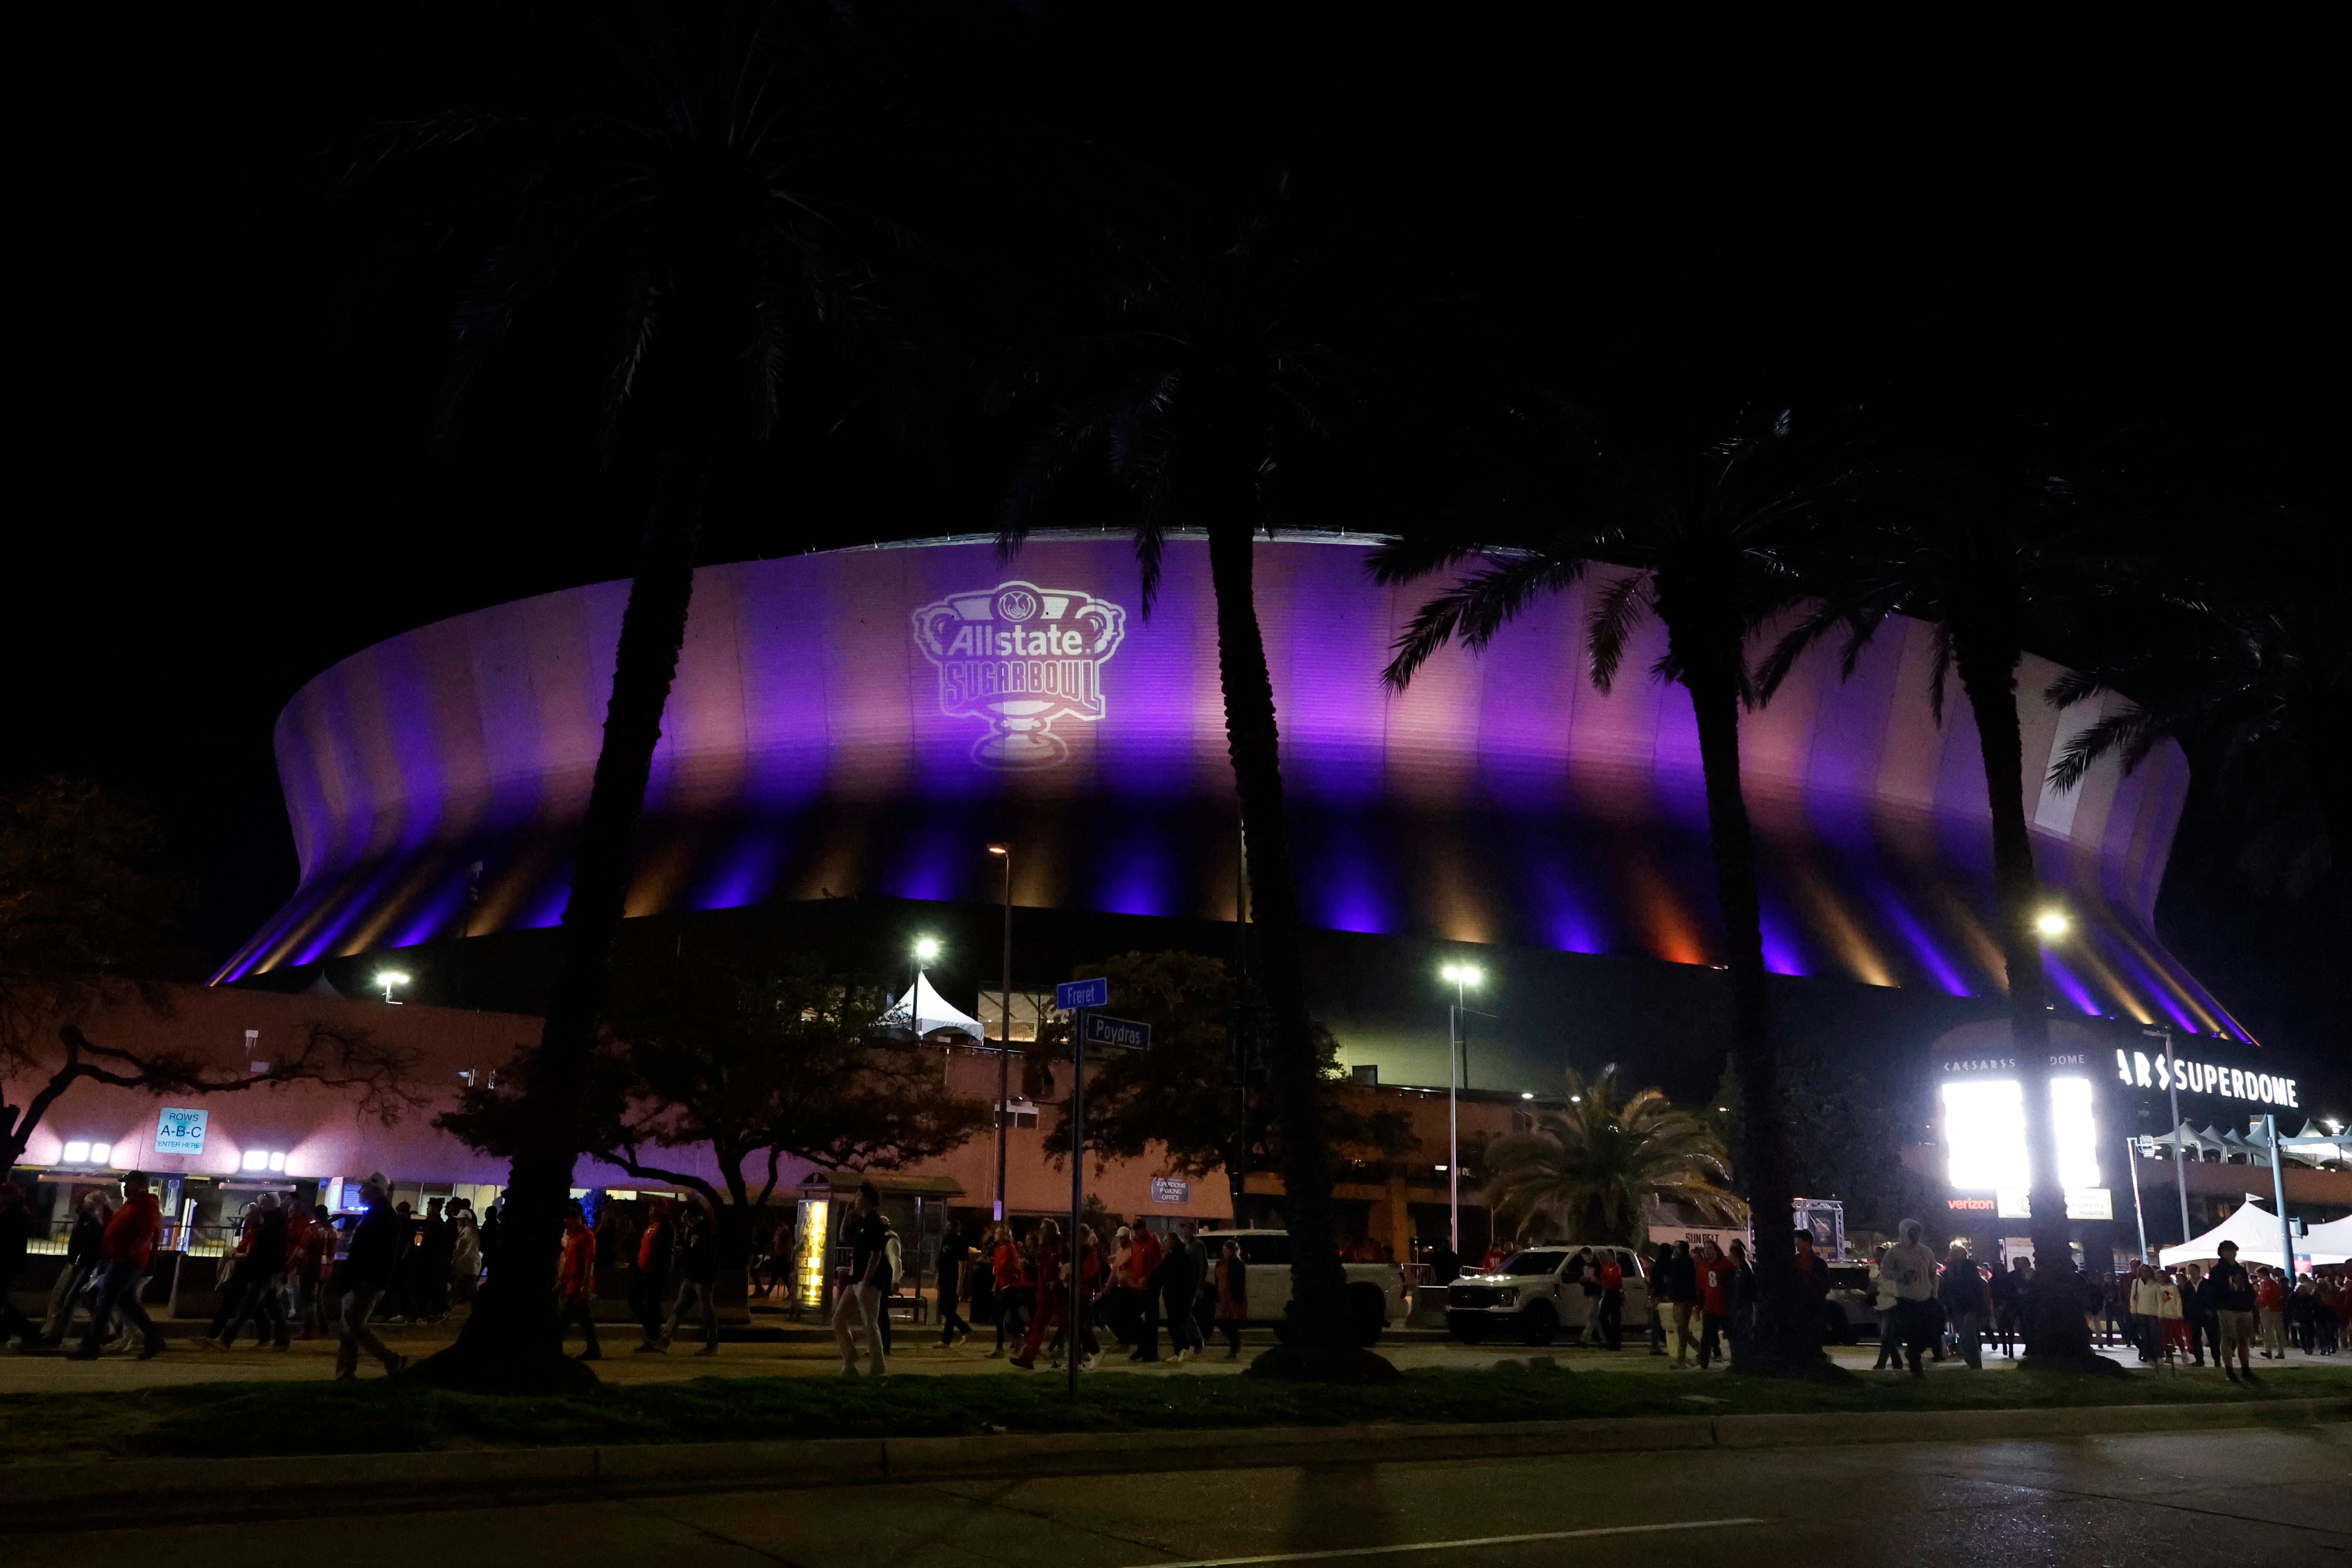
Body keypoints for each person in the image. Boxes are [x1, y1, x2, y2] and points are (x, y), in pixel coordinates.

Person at [69, 1172, 167, 1361]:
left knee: (104, 1301)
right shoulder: (133, 1204)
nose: (125, 1186)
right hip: (119, 1260)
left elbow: (147, 1233)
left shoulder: (145, 1204)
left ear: (139, 1184)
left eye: (128, 1183)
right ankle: (154, 1340)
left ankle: (91, 1347)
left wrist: (129, 1253)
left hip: (126, 1262)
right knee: (127, 1302)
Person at [333, 1172, 408, 1379]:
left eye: (364, 1188)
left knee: (354, 1325)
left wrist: (355, 1278)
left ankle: (390, 1359)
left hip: (366, 1282)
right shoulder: (378, 1214)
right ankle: (346, 1373)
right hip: (365, 1280)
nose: (360, 1191)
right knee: (348, 1328)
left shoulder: (382, 1217)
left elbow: (368, 1253)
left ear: (375, 1191)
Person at [831, 1181, 889, 1376]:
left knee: (870, 1324)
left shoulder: (876, 1223)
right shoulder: (862, 1222)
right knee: (839, 1320)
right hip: (855, 1280)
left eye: (859, 1196)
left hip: (868, 1283)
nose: (856, 1199)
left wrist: (866, 1281)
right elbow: (843, 1238)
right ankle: (850, 1360)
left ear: (868, 1200)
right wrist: (847, 1214)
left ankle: (878, 1368)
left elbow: (876, 1255)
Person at [40, 1190, 112, 1347]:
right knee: (85, 1299)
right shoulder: (91, 1219)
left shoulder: (100, 1222)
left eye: (87, 1202)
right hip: (85, 1263)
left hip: (90, 1265)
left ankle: (59, 1334)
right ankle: (104, 1331)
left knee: (71, 1298)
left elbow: (92, 1245)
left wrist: (80, 1261)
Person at [219, 1194, 291, 1350]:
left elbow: (262, 1249)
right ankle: (282, 1339)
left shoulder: (271, 1224)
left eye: (263, 1204)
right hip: (269, 1268)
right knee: (272, 1306)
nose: (260, 1207)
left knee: (249, 1305)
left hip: (264, 1269)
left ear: (271, 1205)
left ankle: (226, 1339)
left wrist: (251, 1261)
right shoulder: (276, 1221)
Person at [655, 1201, 721, 1356]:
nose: (687, 1219)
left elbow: (709, 1257)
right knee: (679, 1310)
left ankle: (713, 1345)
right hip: (691, 1278)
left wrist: (707, 1276)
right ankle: (665, 1341)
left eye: (690, 1216)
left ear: (698, 1216)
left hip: (702, 1280)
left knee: (706, 1312)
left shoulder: (705, 1233)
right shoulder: (692, 1231)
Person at [1879, 1219, 1941, 1377]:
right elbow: (1885, 1272)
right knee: (1912, 1334)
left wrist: (1934, 1293)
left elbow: (1933, 1273)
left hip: (1925, 1299)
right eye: (1912, 1233)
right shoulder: (1894, 1252)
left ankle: (1914, 1354)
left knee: (1929, 1333)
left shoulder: (1926, 1251)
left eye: (1917, 1233)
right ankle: (1916, 1366)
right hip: (1906, 1300)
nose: (1915, 1236)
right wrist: (1902, 1276)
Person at [1010, 1218, 1068, 1370]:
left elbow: (1063, 1267)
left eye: (1044, 1229)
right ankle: (1028, 1358)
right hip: (1045, 1293)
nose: (1041, 1231)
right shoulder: (1045, 1247)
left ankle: (1079, 1355)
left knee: (1068, 1323)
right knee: (1038, 1325)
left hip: (1057, 1292)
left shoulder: (1059, 1246)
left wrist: (1057, 1280)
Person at [2206, 1239, 2258, 1381]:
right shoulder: (2218, 1271)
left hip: (2242, 1308)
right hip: (2227, 1309)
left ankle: (2245, 1369)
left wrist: (2249, 1303)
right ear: (2222, 1253)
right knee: (2228, 1339)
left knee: (2243, 1340)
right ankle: (2229, 1370)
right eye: (2229, 1251)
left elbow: (2247, 1287)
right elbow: (2214, 1291)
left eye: (2234, 1251)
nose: (2232, 1253)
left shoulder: (2240, 1270)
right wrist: (2217, 1307)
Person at [556, 1200, 602, 1361]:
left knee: (565, 1318)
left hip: (578, 1285)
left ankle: (555, 1348)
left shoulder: (586, 1237)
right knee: (584, 1319)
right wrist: (563, 1280)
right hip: (573, 1284)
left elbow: (590, 1261)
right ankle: (593, 1349)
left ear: (575, 1219)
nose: (566, 1225)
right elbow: (568, 1262)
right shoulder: (573, 1237)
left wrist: (585, 1285)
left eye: (568, 1221)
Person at [1155, 1220, 1206, 1363]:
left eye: (1166, 1240)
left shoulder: (1193, 1249)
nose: (1164, 1243)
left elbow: (1199, 1269)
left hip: (1182, 1293)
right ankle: (1185, 1347)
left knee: (1183, 1317)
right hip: (1174, 1294)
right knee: (1178, 1320)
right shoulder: (1175, 1254)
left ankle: (1193, 1342)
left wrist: (1197, 1288)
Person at [629, 1198, 674, 1349]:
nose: (650, 1209)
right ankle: (652, 1332)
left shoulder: (665, 1226)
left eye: (653, 1207)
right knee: (635, 1299)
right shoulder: (651, 1225)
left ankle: (653, 1335)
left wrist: (658, 1270)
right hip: (644, 1270)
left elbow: (665, 1251)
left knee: (652, 1302)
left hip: (654, 1272)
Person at [1938, 1241, 1992, 1369]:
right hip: (1957, 1307)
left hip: (1969, 1306)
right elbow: (1946, 1289)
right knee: (1964, 1335)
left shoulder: (1969, 1268)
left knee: (1968, 1334)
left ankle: (1975, 1363)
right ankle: (1971, 1361)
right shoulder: (1950, 1270)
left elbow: (1975, 1286)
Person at [0, 1182, 37, 1350]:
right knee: (3, 1300)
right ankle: (10, 1332)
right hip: (11, 1262)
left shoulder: (12, 1215)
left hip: (7, 1263)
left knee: (3, 1301)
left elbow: (8, 1241)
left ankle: (28, 1332)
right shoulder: (17, 1213)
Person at [1127, 1219, 1166, 1362]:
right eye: (1135, 1229)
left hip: (1150, 1287)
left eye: (1139, 1229)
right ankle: (1142, 1346)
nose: (1137, 1232)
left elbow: (1159, 1263)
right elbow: (1135, 1260)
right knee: (1134, 1316)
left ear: (1145, 1228)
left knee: (1151, 1320)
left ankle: (1152, 1353)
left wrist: (1148, 1277)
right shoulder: (1135, 1243)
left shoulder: (1153, 1242)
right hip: (1138, 1286)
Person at [1694, 1240, 1736, 1370]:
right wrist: (1700, 1307)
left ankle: (1737, 1360)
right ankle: (1704, 1363)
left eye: (1710, 1248)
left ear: (1716, 1250)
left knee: (1732, 1336)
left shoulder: (1726, 1265)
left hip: (1725, 1308)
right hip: (1710, 1308)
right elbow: (1701, 1290)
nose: (1707, 1251)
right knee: (1707, 1337)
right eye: (1706, 1248)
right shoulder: (1702, 1268)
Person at [987, 1223, 1026, 1357]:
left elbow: (1002, 1268)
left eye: (998, 1233)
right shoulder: (999, 1249)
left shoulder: (1010, 1248)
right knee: (1000, 1316)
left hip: (1010, 1287)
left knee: (1000, 1315)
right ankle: (1017, 1336)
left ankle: (1000, 1347)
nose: (995, 1235)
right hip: (1002, 1286)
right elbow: (996, 1267)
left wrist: (996, 1269)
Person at [937, 1223, 974, 1347]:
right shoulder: (946, 1240)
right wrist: (937, 1277)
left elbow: (962, 1263)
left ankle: (964, 1329)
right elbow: (941, 1260)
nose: (949, 1229)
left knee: (946, 1309)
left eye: (952, 1227)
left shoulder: (960, 1242)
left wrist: (960, 1283)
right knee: (947, 1309)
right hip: (944, 1277)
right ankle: (947, 1340)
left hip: (953, 1278)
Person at [1665, 1240, 1698, 1368]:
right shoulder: (1675, 1263)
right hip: (1677, 1299)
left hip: (1685, 1299)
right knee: (1682, 1329)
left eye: (1677, 1247)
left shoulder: (1686, 1263)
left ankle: (1682, 1358)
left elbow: (1685, 1281)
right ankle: (1700, 1351)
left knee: (1682, 1329)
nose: (1674, 1249)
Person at [1213, 1237, 1248, 1357]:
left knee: (1231, 1323)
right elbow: (1217, 1280)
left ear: (1232, 1251)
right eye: (1223, 1249)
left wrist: (1239, 1298)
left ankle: (1235, 1347)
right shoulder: (1221, 1263)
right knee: (1220, 1321)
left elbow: (1241, 1283)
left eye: (1226, 1250)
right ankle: (1236, 1343)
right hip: (1222, 1297)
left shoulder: (1238, 1264)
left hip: (1232, 1297)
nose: (1224, 1252)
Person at [1992, 1256, 2030, 1358]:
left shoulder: (2006, 1277)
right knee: (2015, 1327)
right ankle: (2011, 1348)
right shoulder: (2013, 1276)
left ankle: (2008, 1348)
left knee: (2007, 1327)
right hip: (2015, 1303)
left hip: (2009, 1303)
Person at [2127, 1262, 2164, 1363]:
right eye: (2142, 1271)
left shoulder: (2156, 1284)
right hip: (2141, 1312)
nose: (2144, 1272)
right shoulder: (2136, 1282)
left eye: (2146, 1270)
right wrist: (2134, 1311)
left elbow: (2160, 1300)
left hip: (2153, 1313)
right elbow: (2133, 1298)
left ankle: (2154, 1354)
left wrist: (2160, 1314)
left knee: (2153, 1335)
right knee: (2144, 1335)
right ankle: (2146, 1354)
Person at [448, 1204, 481, 1307]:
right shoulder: (468, 1230)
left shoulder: (469, 1231)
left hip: (468, 1266)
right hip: (468, 1266)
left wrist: (454, 1260)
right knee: (465, 1291)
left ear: (465, 1220)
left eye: (460, 1219)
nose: (458, 1221)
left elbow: (463, 1249)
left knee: (460, 1290)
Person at [1594, 1248, 1625, 1351]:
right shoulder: (1605, 1268)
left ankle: (1615, 1343)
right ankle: (1611, 1339)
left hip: (1615, 1293)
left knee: (1616, 1319)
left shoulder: (1616, 1267)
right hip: (1609, 1293)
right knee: (1603, 1317)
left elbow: (1616, 1280)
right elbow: (1604, 1281)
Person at [2254, 1264, 2287, 1360]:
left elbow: (2277, 1296)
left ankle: (2280, 1351)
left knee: (2278, 1330)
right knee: (2267, 1330)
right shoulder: (2263, 1284)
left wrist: (2269, 1304)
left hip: (2274, 1309)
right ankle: (2268, 1350)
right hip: (2264, 1308)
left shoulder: (2272, 1284)